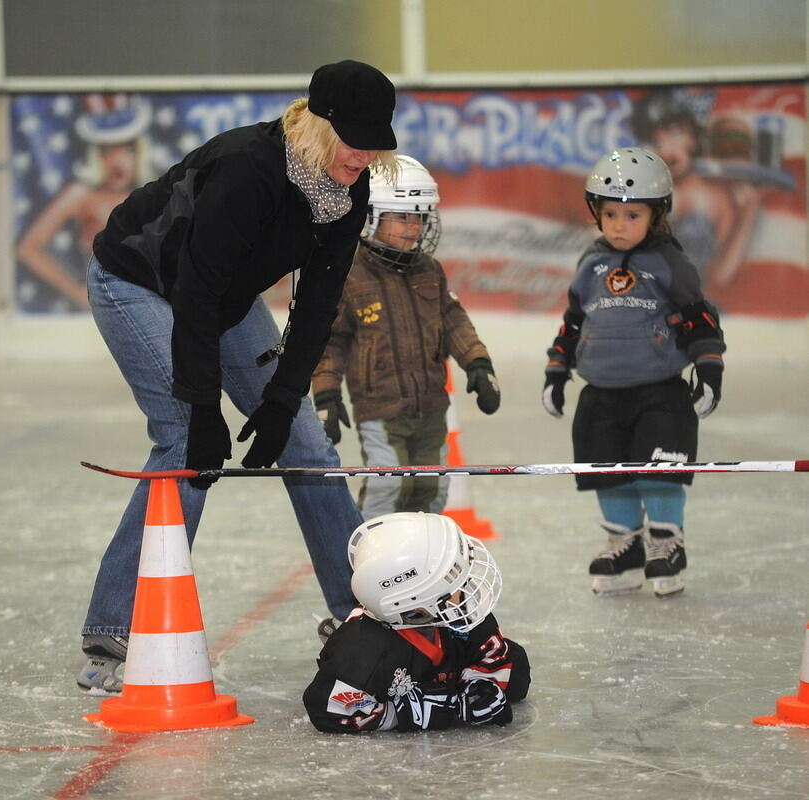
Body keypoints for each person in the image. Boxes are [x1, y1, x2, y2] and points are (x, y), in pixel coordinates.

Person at [78, 60, 399, 693]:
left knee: (307, 444)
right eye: (353, 136)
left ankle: (356, 609)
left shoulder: (349, 190)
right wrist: (202, 408)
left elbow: (317, 303)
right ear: (317, 125)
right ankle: (117, 624)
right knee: (183, 441)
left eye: (375, 139)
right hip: (137, 281)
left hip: (223, 296)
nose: (363, 153)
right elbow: (194, 291)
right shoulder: (249, 170)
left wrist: (282, 399)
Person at [541, 147, 726, 598]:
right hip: (600, 393)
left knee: (657, 471)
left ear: (657, 215)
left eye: (633, 215)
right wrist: (557, 369)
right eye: (610, 214)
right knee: (608, 471)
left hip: (659, 392)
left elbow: (698, 316)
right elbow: (574, 321)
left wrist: (709, 367)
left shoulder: (669, 262)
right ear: (596, 213)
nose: (619, 226)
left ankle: (667, 545)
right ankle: (625, 544)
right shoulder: (591, 265)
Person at [311, 155, 500, 520]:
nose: (413, 227)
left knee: (433, 485)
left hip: (431, 406)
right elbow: (331, 344)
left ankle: (423, 560)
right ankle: (371, 550)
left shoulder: (430, 272)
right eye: (402, 216)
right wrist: (326, 396)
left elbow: (454, 322)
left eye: (420, 216)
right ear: (371, 216)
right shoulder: (350, 277)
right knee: (389, 484)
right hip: (380, 408)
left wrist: (478, 364)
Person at [303, 512, 530, 732]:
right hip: (372, 660)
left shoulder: (455, 613)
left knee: (517, 671)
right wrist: (403, 714)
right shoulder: (364, 651)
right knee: (354, 669)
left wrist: (478, 685)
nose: (465, 587)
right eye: (452, 581)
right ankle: (338, 640)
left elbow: (497, 657)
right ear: (414, 608)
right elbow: (326, 709)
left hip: (431, 661)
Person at [16, 94, 151, 311]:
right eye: (107, 150)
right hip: (102, 308)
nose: (117, 160)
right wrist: (77, 292)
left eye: (127, 150)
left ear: (139, 152)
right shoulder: (81, 194)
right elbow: (28, 248)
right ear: (96, 155)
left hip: (146, 308)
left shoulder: (153, 193)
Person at [631, 88, 762, 291]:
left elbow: (721, 276)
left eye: (676, 132)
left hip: (695, 310)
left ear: (695, 136)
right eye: (657, 141)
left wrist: (748, 211)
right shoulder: (642, 195)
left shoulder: (716, 198)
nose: (667, 148)